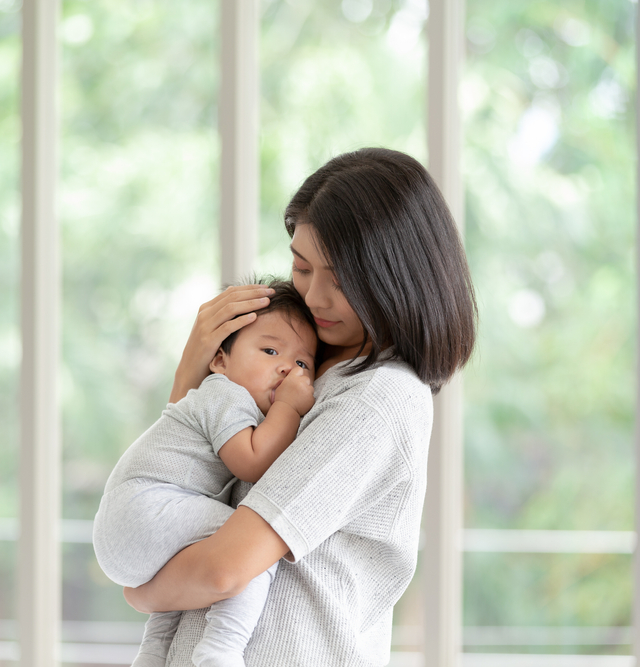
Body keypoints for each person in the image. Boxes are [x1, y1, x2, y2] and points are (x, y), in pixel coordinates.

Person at [123, 147, 478, 665]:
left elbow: (223, 570)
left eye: (342, 278)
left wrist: (144, 590)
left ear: (396, 278)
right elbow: (181, 477)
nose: (315, 297)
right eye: (302, 266)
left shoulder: (377, 399)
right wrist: (193, 372)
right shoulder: (298, 362)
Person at [93, 279, 318, 667]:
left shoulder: (226, 401)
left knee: (189, 567)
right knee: (251, 553)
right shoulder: (222, 393)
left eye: (302, 363)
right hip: (146, 506)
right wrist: (290, 409)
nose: (286, 367)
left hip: (128, 524)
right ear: (220, 361)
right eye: (269, 350)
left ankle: (151, 654)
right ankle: (221, 650)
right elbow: (251, 461)